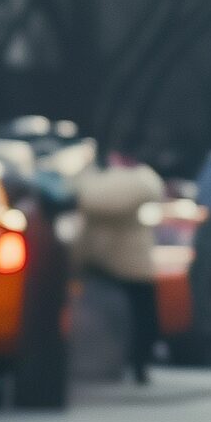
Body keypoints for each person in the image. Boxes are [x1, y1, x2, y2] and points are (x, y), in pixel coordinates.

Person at [75, 151, 166, 384]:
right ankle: (136, 364)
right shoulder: (140, 181)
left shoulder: (103, 183)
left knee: (134, 317)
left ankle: (134, 363)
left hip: (111, 262)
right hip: (124, 264)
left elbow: (93, 200)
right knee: (139, 317)